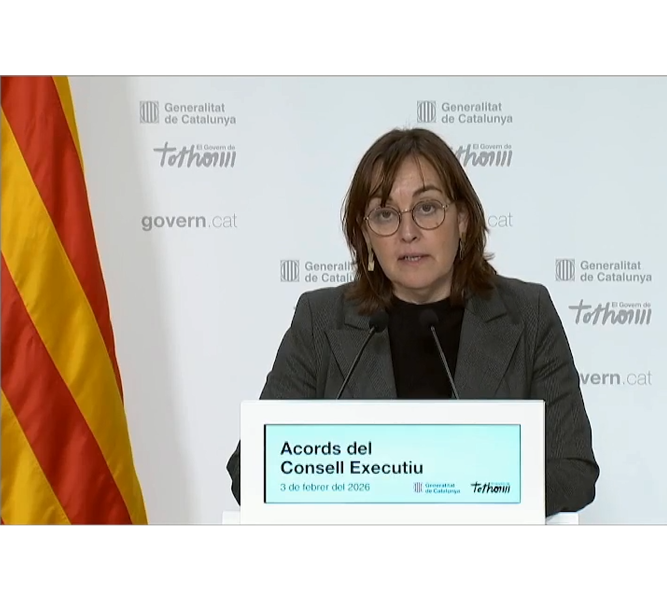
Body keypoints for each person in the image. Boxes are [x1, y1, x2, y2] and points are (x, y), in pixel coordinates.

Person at [226, 127, 599, 517]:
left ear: (463, 220)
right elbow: (249, 471)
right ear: (366, 235)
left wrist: (461, 493)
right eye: (385, 214)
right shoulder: (321, 320)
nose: (408, 233)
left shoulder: (527, 313)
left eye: (427, 208)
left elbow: (573, 471)